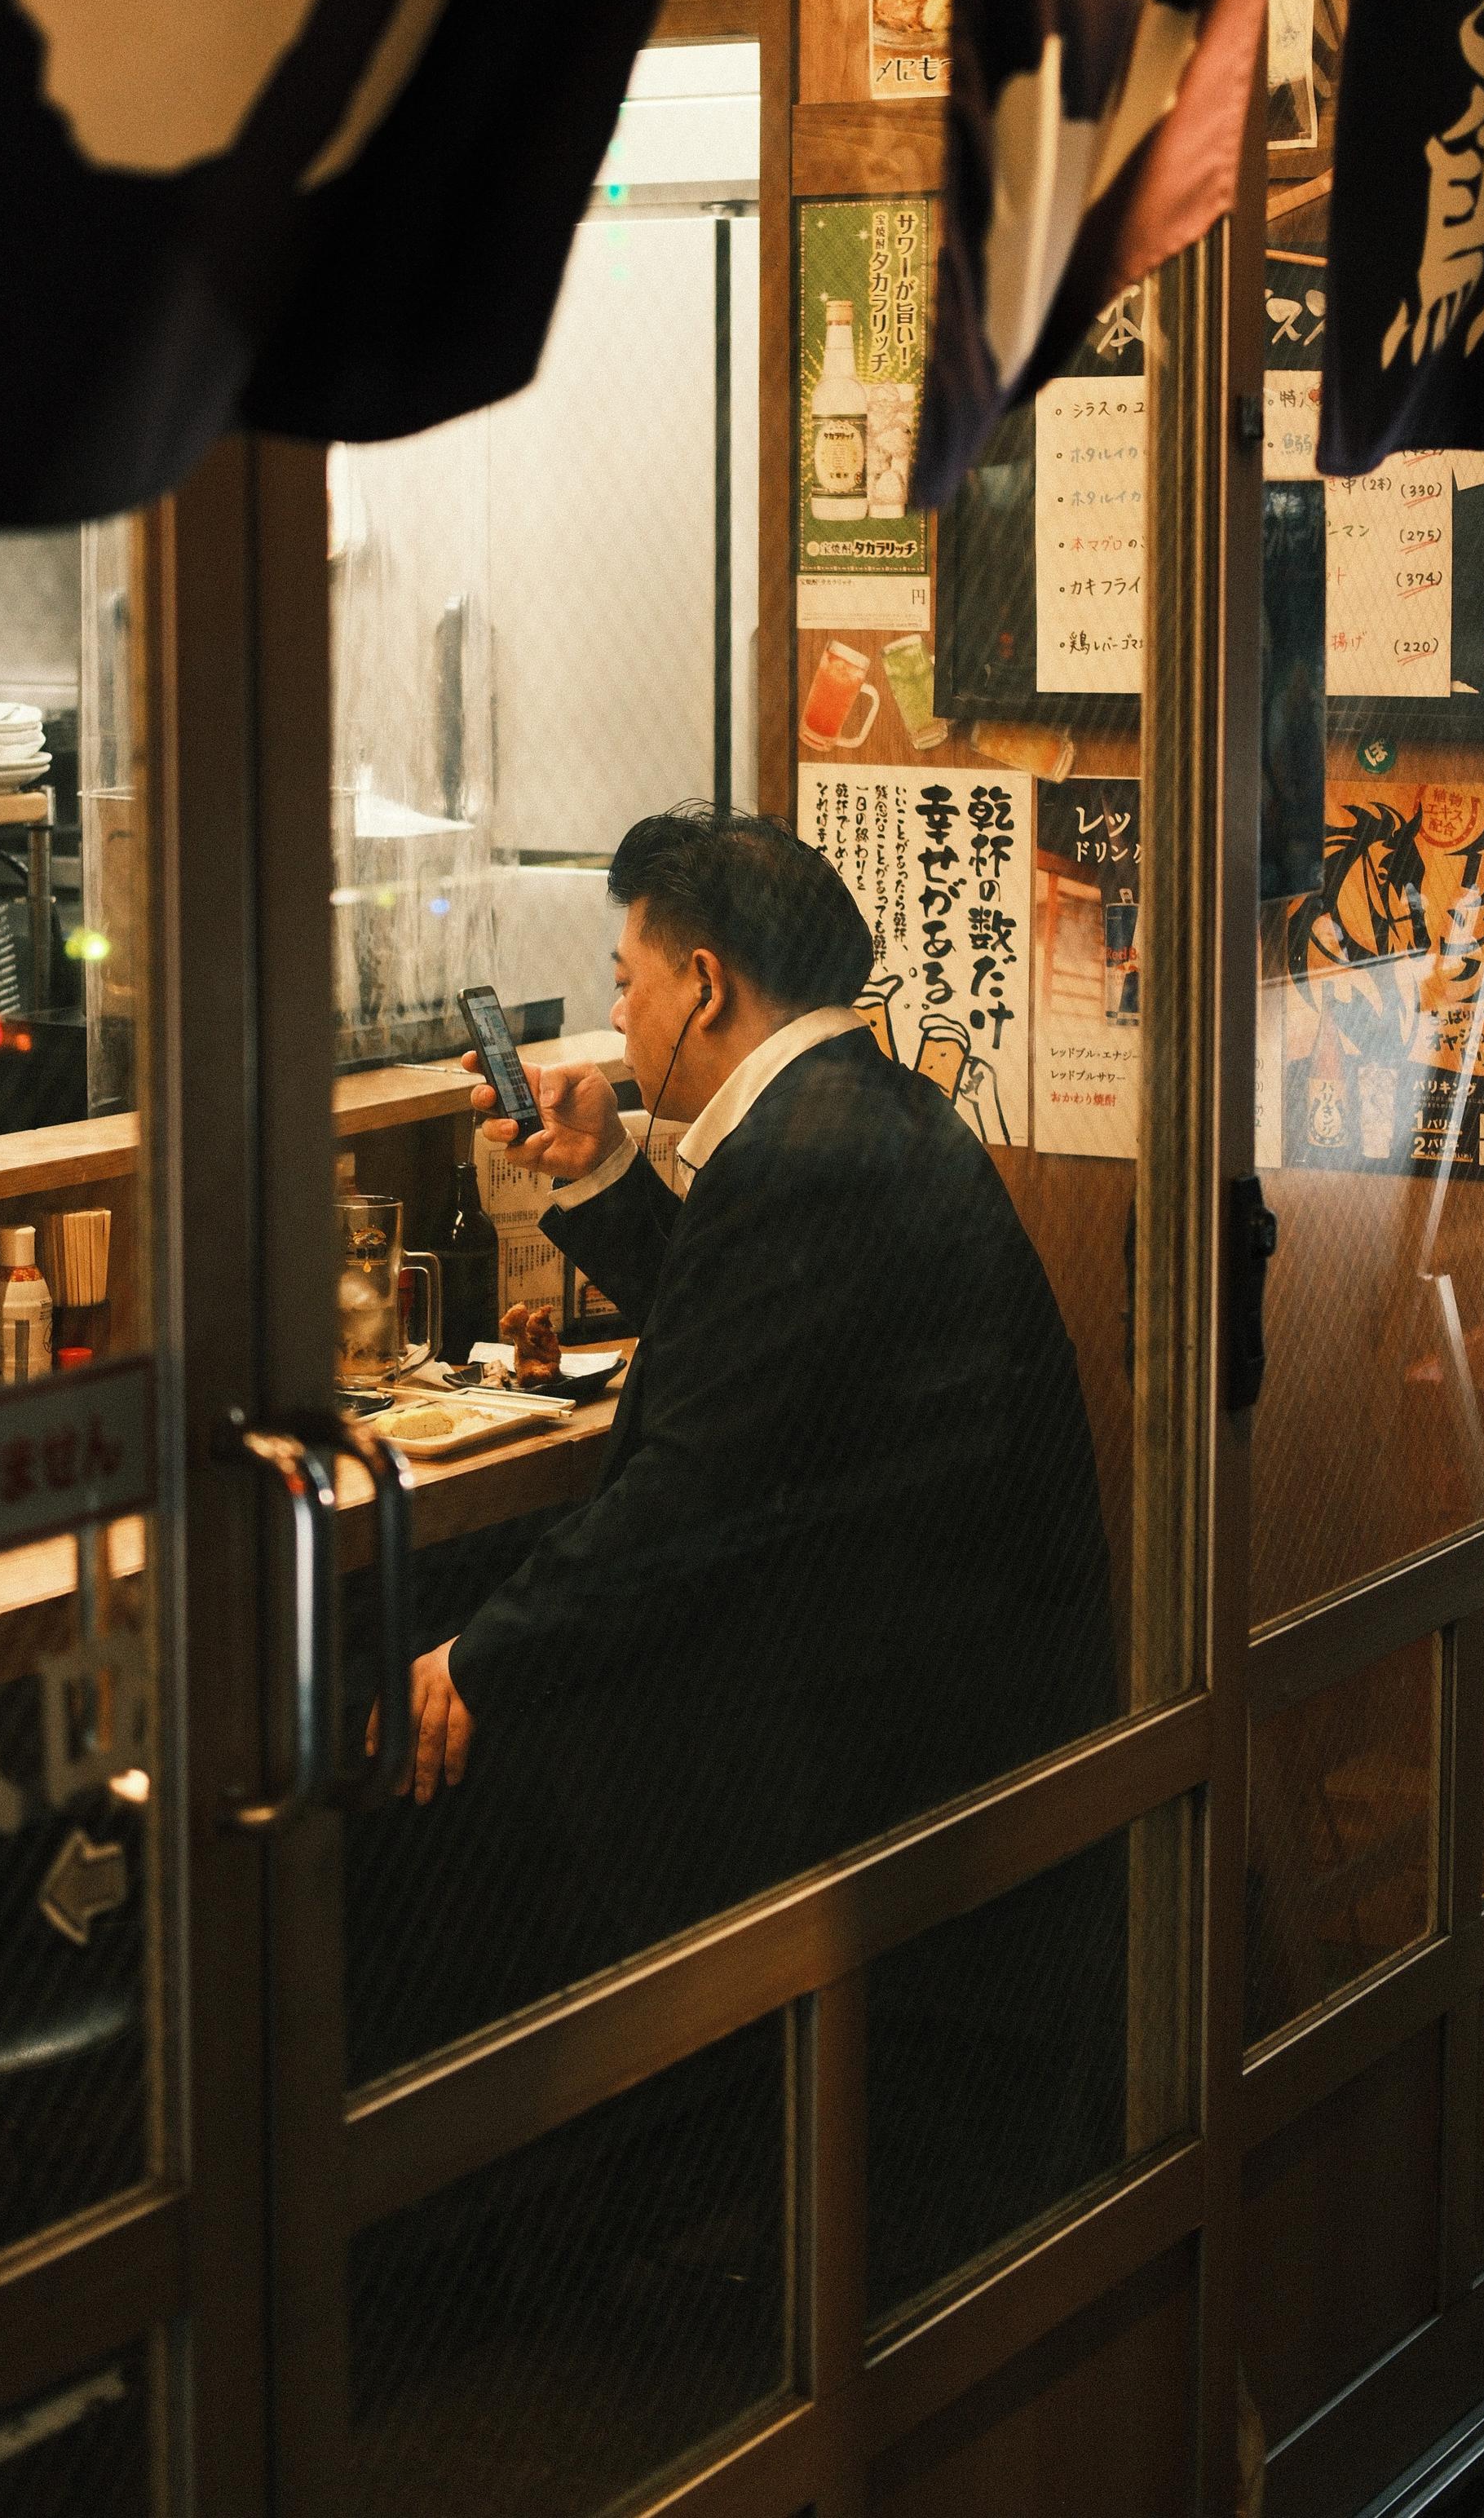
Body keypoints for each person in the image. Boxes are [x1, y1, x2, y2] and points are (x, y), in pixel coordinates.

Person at [381, 806, 1117, 1933]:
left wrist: (482, 1655)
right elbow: (754, 1344)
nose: (618, 1019)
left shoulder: (800, 1160)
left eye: (627, 983)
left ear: (706, 986)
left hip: (866, 1749)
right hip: (946, 1687)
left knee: (408, 1765)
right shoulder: (868, 1107)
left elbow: (688, 1490)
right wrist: (602, 1169)